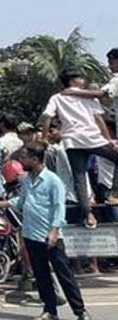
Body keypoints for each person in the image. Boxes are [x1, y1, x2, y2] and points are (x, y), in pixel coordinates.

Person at [0, 144, 93, 320]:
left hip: (49, 236)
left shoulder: (53, 181)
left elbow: (59, 208)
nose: (21, 161)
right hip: (31, 234)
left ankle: (80, 311)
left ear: (35, 159)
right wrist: (2, 204)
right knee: (41, 275)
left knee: (65, 275)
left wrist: (54, 230)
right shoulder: (27, 181)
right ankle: (50, 310)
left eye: (24, 157)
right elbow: (22, 202)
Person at [41, 69, 118, 227]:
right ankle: (114, 193)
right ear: (72, 80)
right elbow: (99, 119)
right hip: (92, 138)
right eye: (80, 77)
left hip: (72, 141)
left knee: (79, 178)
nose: (83, 79)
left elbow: (47, 116)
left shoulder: (56, 97)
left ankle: (88, 215)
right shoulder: (87, 96)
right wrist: (108, 140)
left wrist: (44, 137)